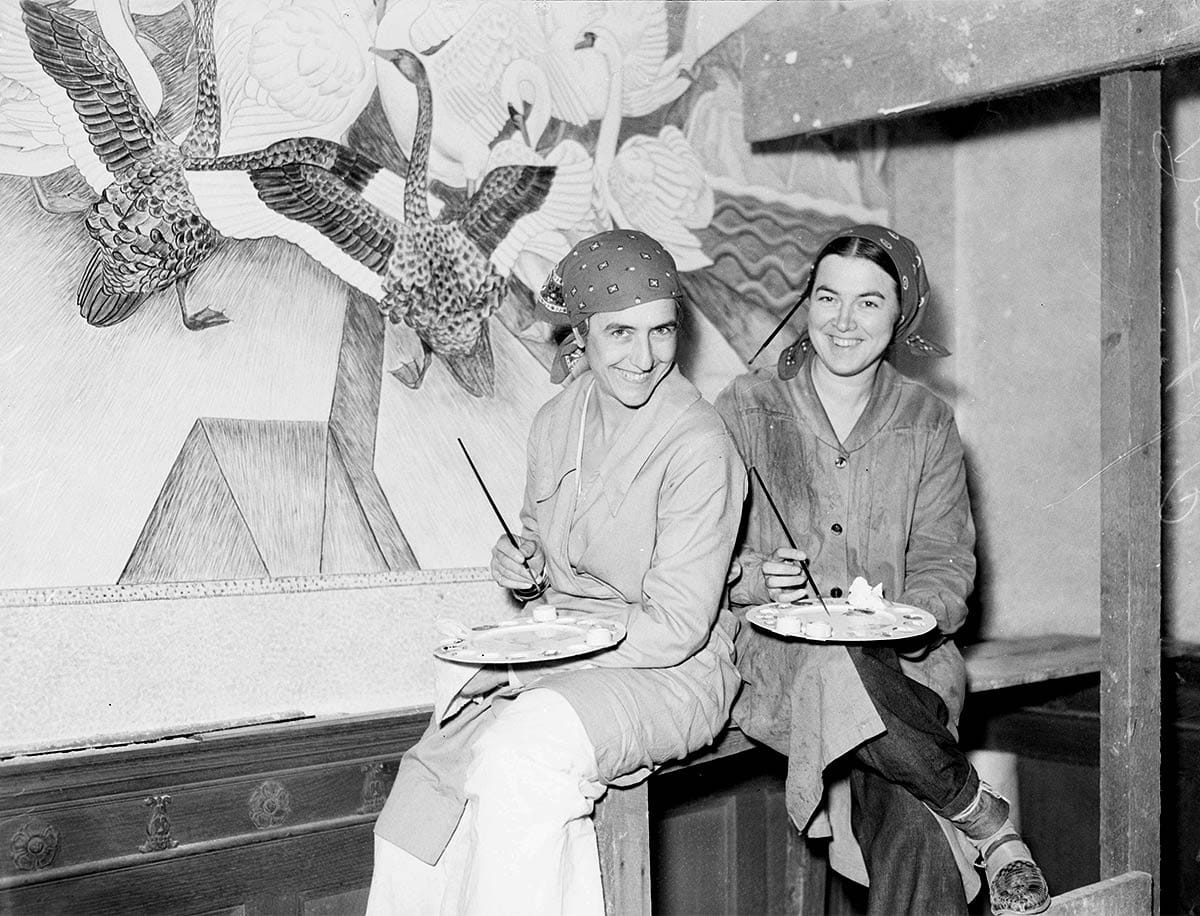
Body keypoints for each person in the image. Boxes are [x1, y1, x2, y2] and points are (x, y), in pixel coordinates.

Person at [365, 229, 746, 915]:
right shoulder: (555, 419)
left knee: (520, 756)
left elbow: (678, 628)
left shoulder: (700, 444)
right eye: (620, 333)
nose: (644, 357)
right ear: (584, 330)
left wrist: (529, 668)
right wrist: (521, 559)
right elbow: (541, 542)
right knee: (430, 781)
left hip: (671, 672)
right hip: (566, 652)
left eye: (661, 331)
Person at [714, 224, 1050, 916]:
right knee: (836, 663)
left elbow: (945, 563)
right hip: (783, 666)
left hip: (906, 668)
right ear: (805, 303)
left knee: (914, 826)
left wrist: (910, 614)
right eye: (827, 297)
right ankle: (985, 817)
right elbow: (701, 553)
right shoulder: (746, 406)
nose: (843, 321)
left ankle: (952, 806)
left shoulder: (926, 419)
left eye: (868, 302)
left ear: (902, 316)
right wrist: (755, 575)